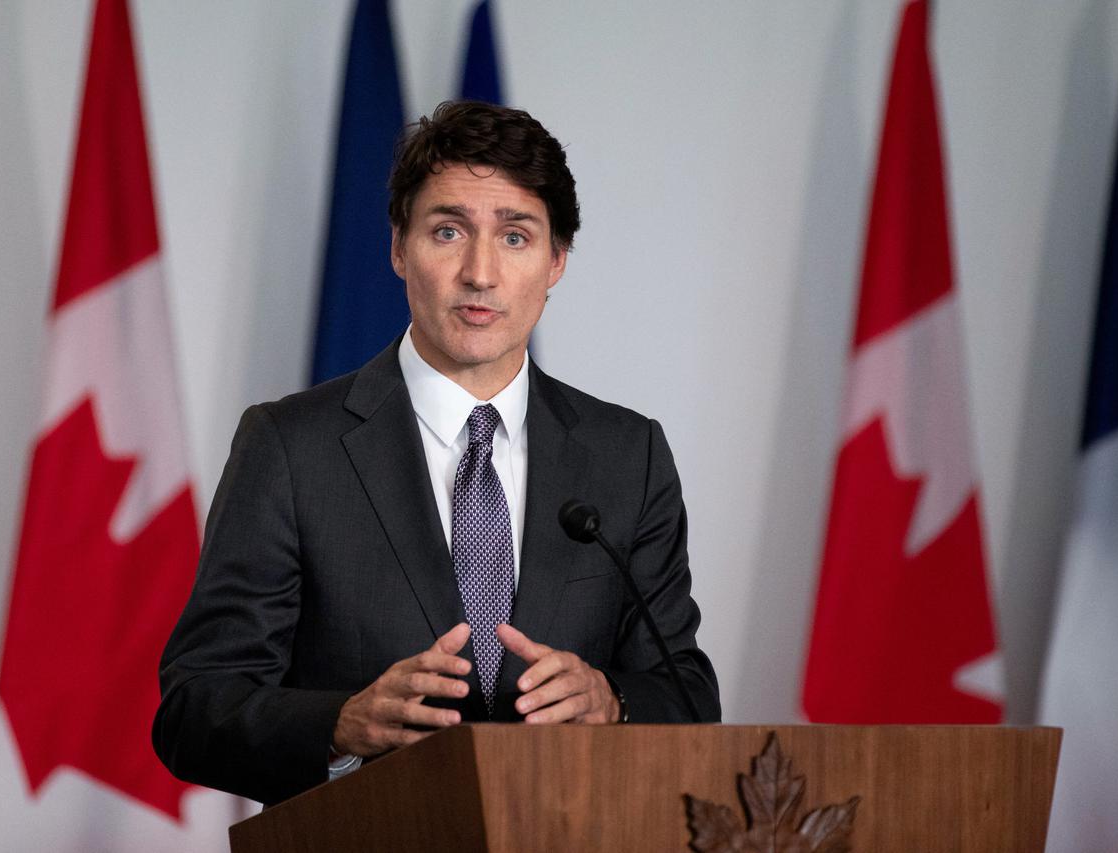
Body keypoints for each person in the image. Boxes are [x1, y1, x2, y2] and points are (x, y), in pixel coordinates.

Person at [153, 101, 720, 806]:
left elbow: (687, 692)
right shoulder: (291, 447)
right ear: (399, 248)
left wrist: (612, 702)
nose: (480, 273)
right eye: (448, 231)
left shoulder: (626, 454)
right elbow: (195, 707)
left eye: (515, 236)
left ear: (556, 262)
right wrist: (340, 724)